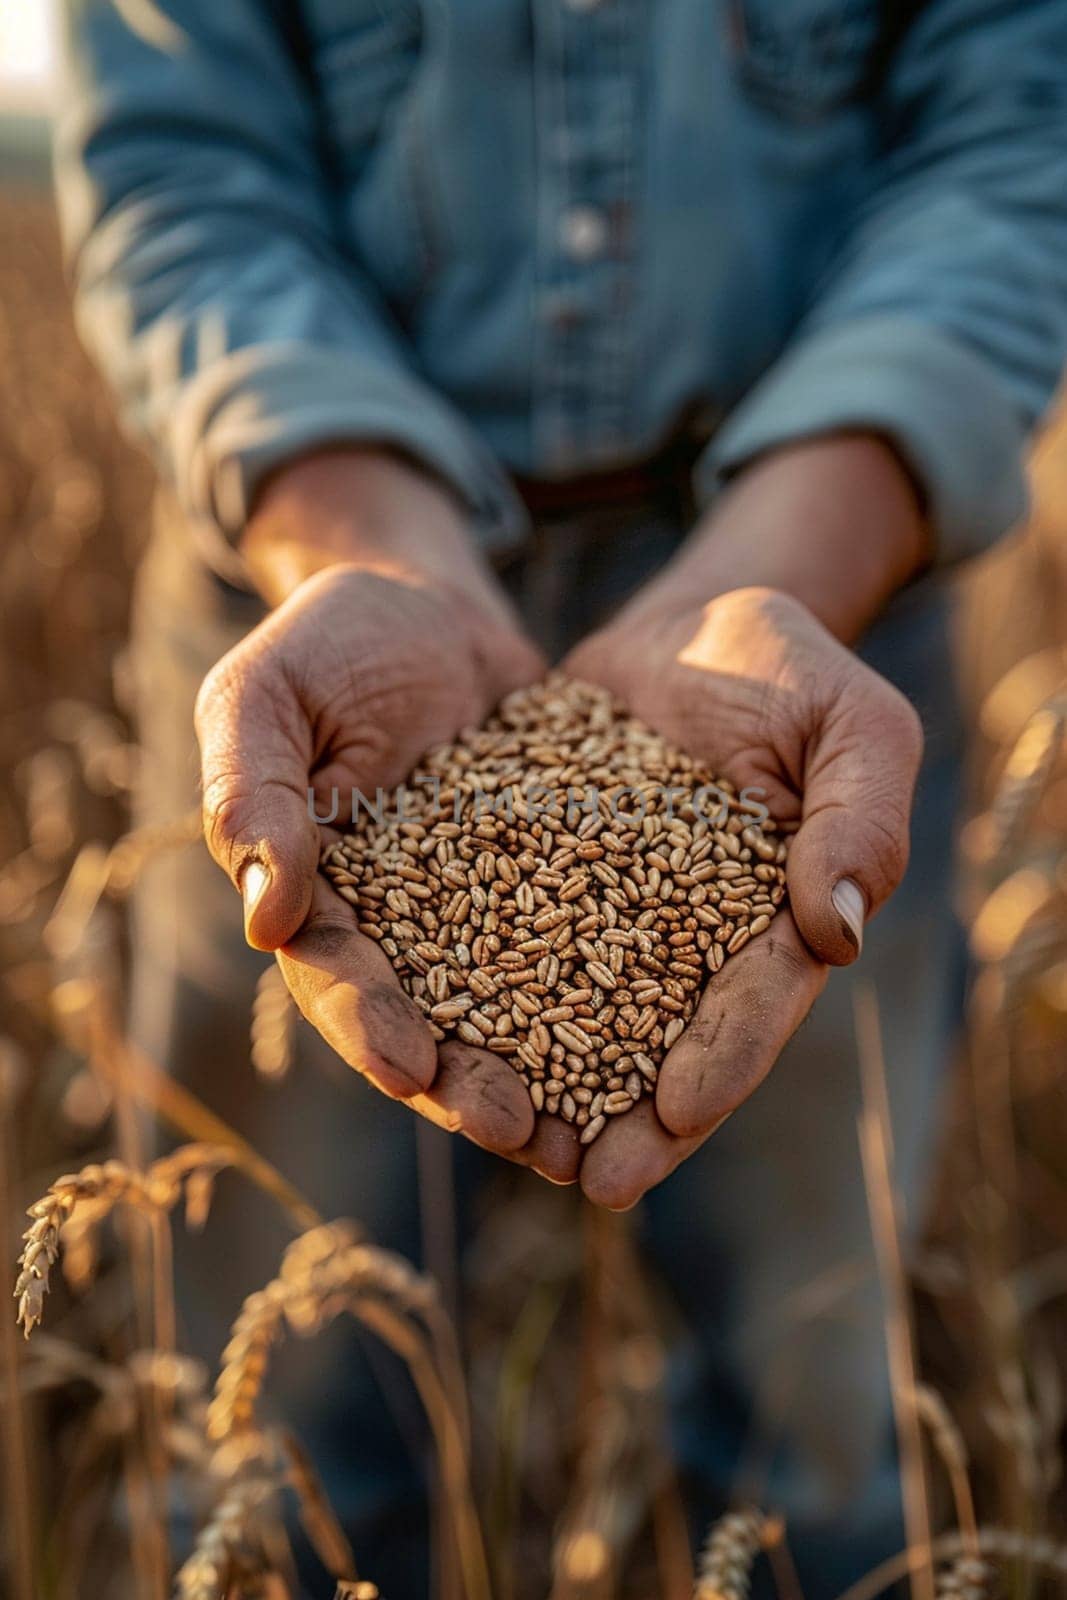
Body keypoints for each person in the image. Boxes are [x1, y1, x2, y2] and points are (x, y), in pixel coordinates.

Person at [54, 1, 1067, 1593]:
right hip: (315, 582)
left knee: (814, 1400)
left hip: (808, 600)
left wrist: (786, 557)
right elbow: (185, 162)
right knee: (268, 1432)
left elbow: (1018, 140)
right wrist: (363, 543)